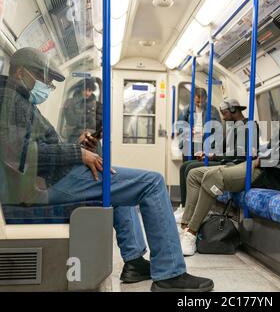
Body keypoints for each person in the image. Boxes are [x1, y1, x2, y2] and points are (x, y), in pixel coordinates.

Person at [0, 47, 214, 292]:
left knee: (115, 184)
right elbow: (20, 154)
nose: (48, 84)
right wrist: (76, 153)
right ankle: (170, 274)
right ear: (20, 73)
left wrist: (76, 146)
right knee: (152, 182)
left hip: (50, 178)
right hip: (48, 185)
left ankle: (134, 263)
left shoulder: (19, 100)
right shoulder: (10, 101)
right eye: (44, 77)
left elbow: (36, 147)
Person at [180, 94, 280, 256]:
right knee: (194, 173)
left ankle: (192, 233)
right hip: (259, 165)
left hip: (272, 174)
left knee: (213, 177)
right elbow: (269, 148)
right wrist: (259, 153)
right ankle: (185, 226)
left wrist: (264, 160)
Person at [177, 98, 259, 213]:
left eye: (224, 113)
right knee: (185, 166)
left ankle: (191, 211)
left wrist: (215, 156)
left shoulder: (249, 126)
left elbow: (241, 153)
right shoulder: (233, 127)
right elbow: (222, 147)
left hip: (236, 164)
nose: (224, 117)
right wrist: (207, 153)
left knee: (191, 168)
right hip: (226, 160)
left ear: (233, 109)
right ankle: (184, 207)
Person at [177, 87, 221, 161]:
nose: (200, 104)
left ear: (206, 98)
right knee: (187, 166)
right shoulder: (186, 110)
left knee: (199, 168)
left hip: (205, 144)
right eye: (197, 102)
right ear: (194, 98)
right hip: (189, 144)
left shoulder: (213, 111)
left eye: (202, 102)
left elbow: (218, 129)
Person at [63, 78, 103, 146]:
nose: (87, 93)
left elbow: (100, 126)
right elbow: (71, 121)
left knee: (97, 154)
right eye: (85, 90)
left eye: (90, 90)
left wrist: (90, 133)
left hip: (92, 137)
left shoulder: (98, 105)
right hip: (75, 136)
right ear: (80, 90)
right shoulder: (70, 102)